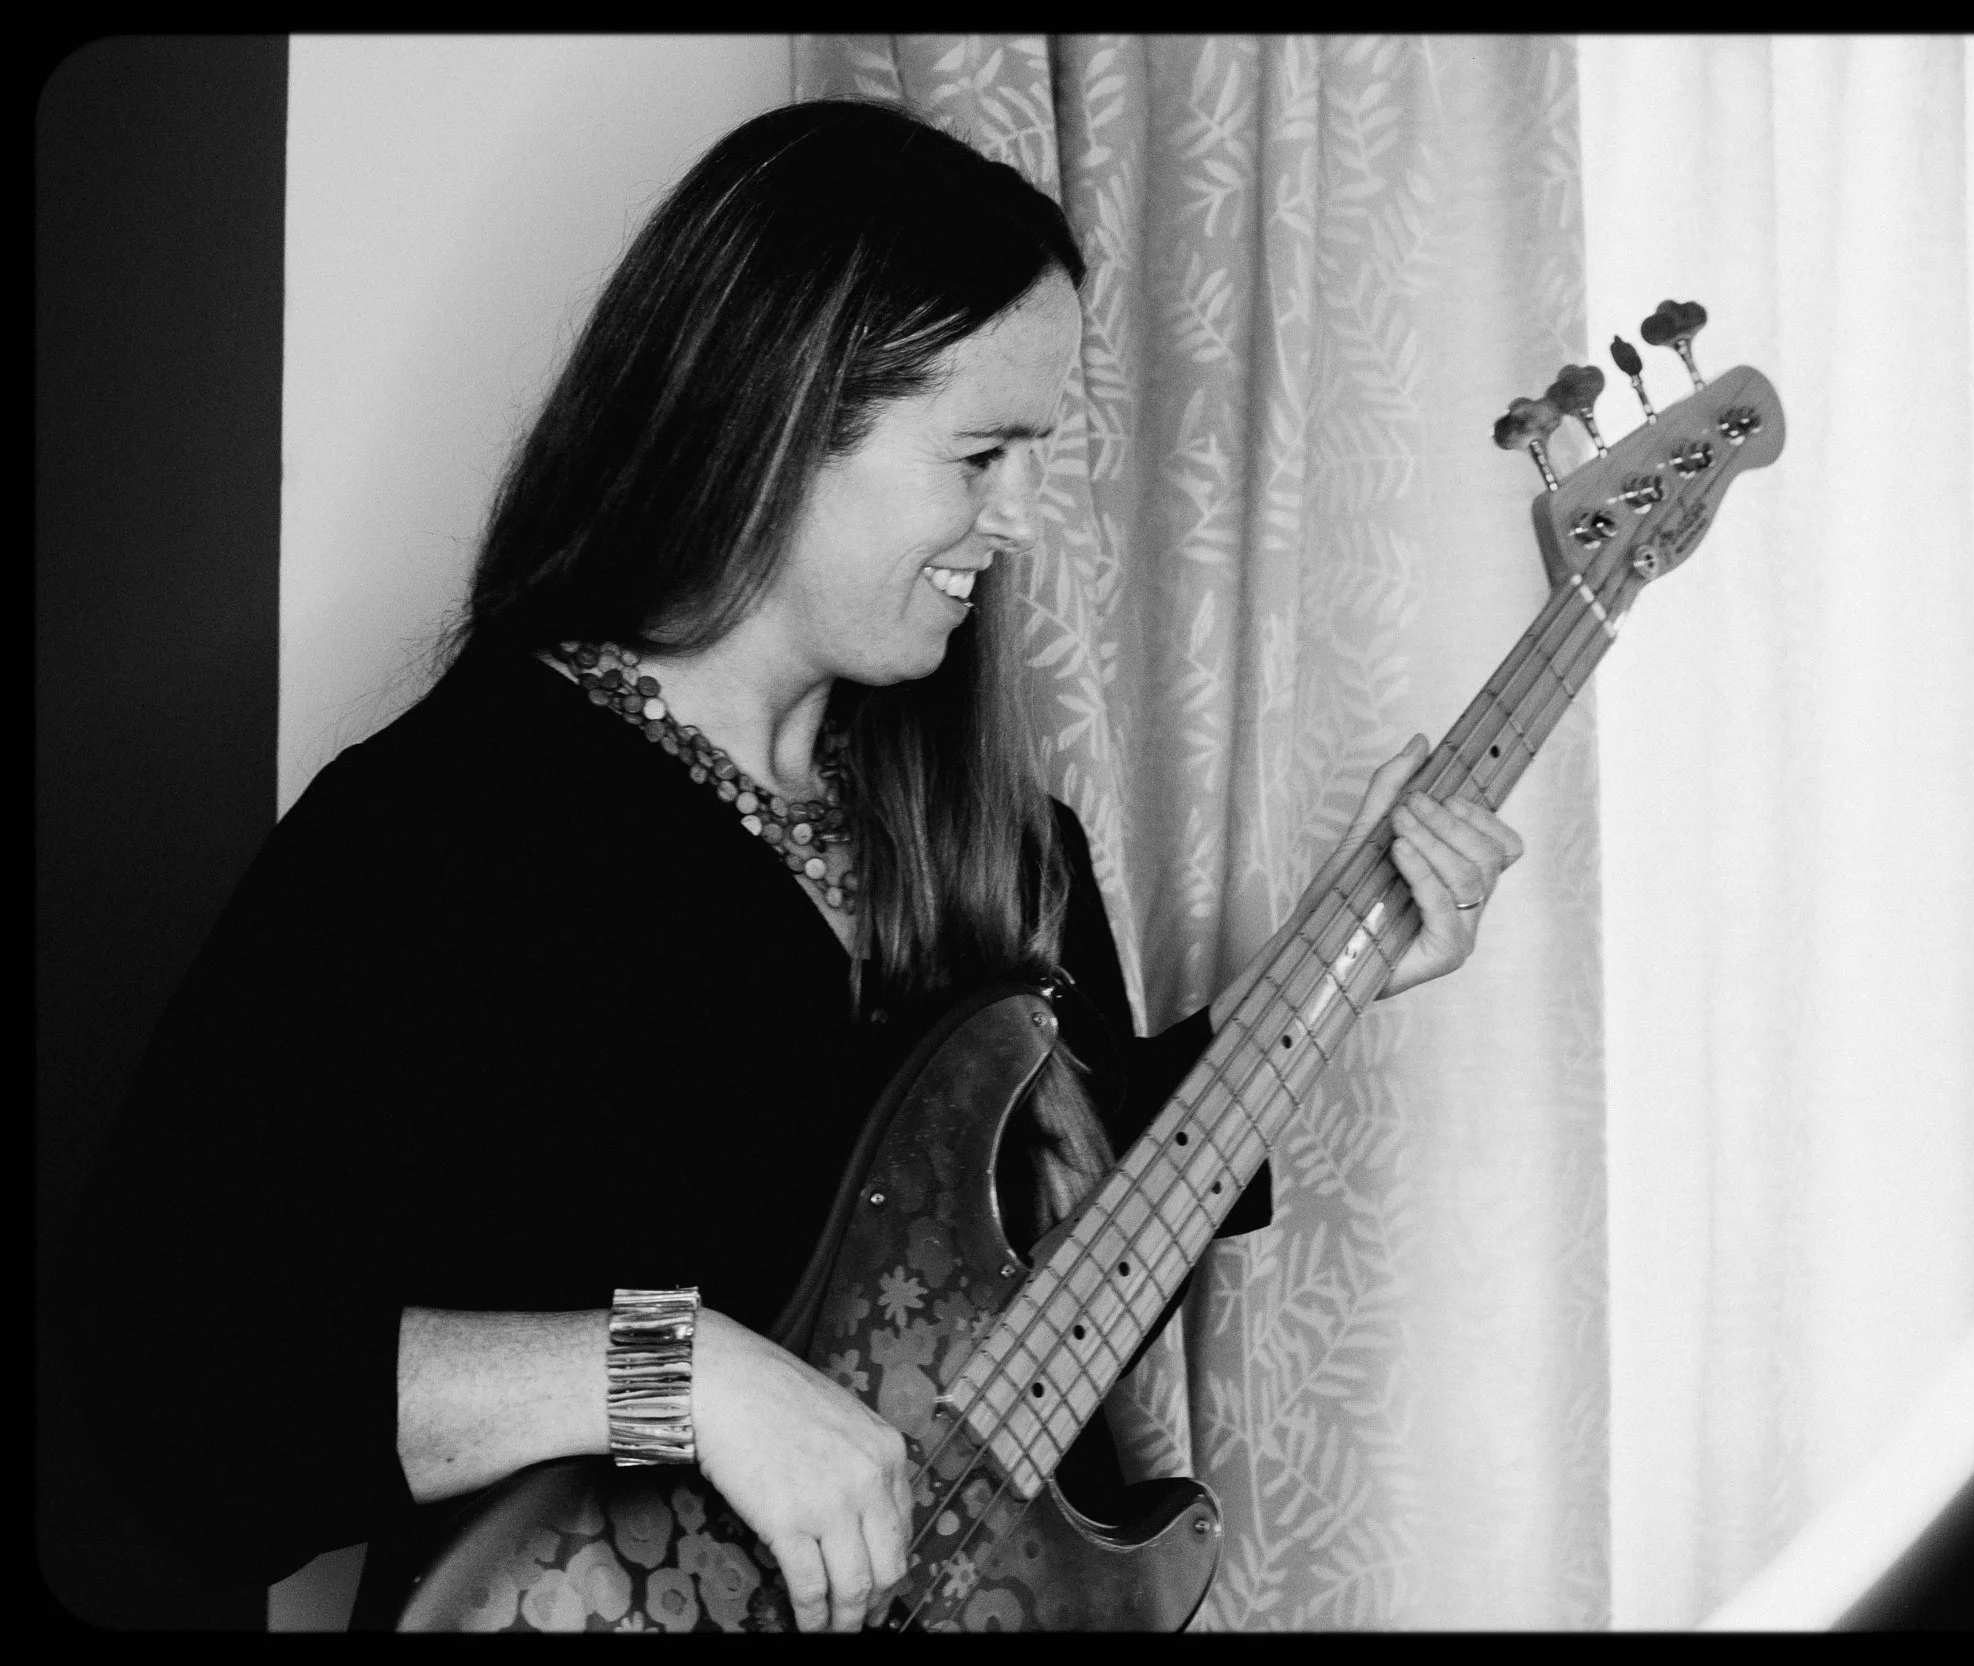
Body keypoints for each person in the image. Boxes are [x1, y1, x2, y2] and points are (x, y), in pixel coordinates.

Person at [57, 99, 1521, 1633]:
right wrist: (673, 1373)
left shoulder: (1004, 840)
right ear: (779, 414)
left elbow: (1060, 1306)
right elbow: (171, 1381)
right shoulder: (447, 830)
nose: (1026, 519)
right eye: (984, 452)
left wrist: (1348, 953)